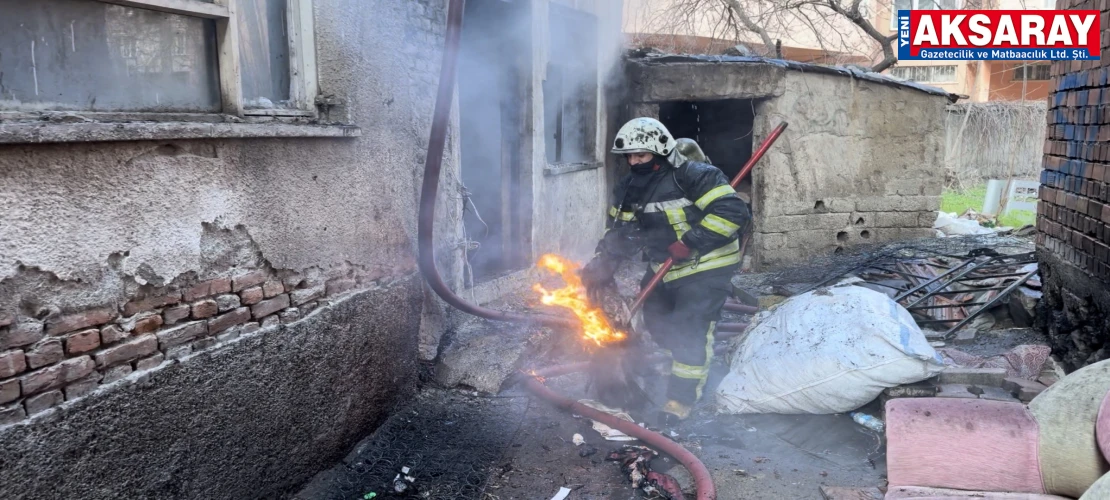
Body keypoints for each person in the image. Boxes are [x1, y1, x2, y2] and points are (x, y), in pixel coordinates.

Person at [580, 117, 751, 426]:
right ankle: (681, 365)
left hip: (706, 265)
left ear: (660, 152)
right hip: (665, 267)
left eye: (641, 156)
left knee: (690, 331)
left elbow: (733, 213)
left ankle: (680, 401)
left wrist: (691, 241)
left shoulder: (696, 176)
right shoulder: (629, 187)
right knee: (657, 324)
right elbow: (620, 230)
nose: (634, 162)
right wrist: (604, 262)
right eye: (630, 156)